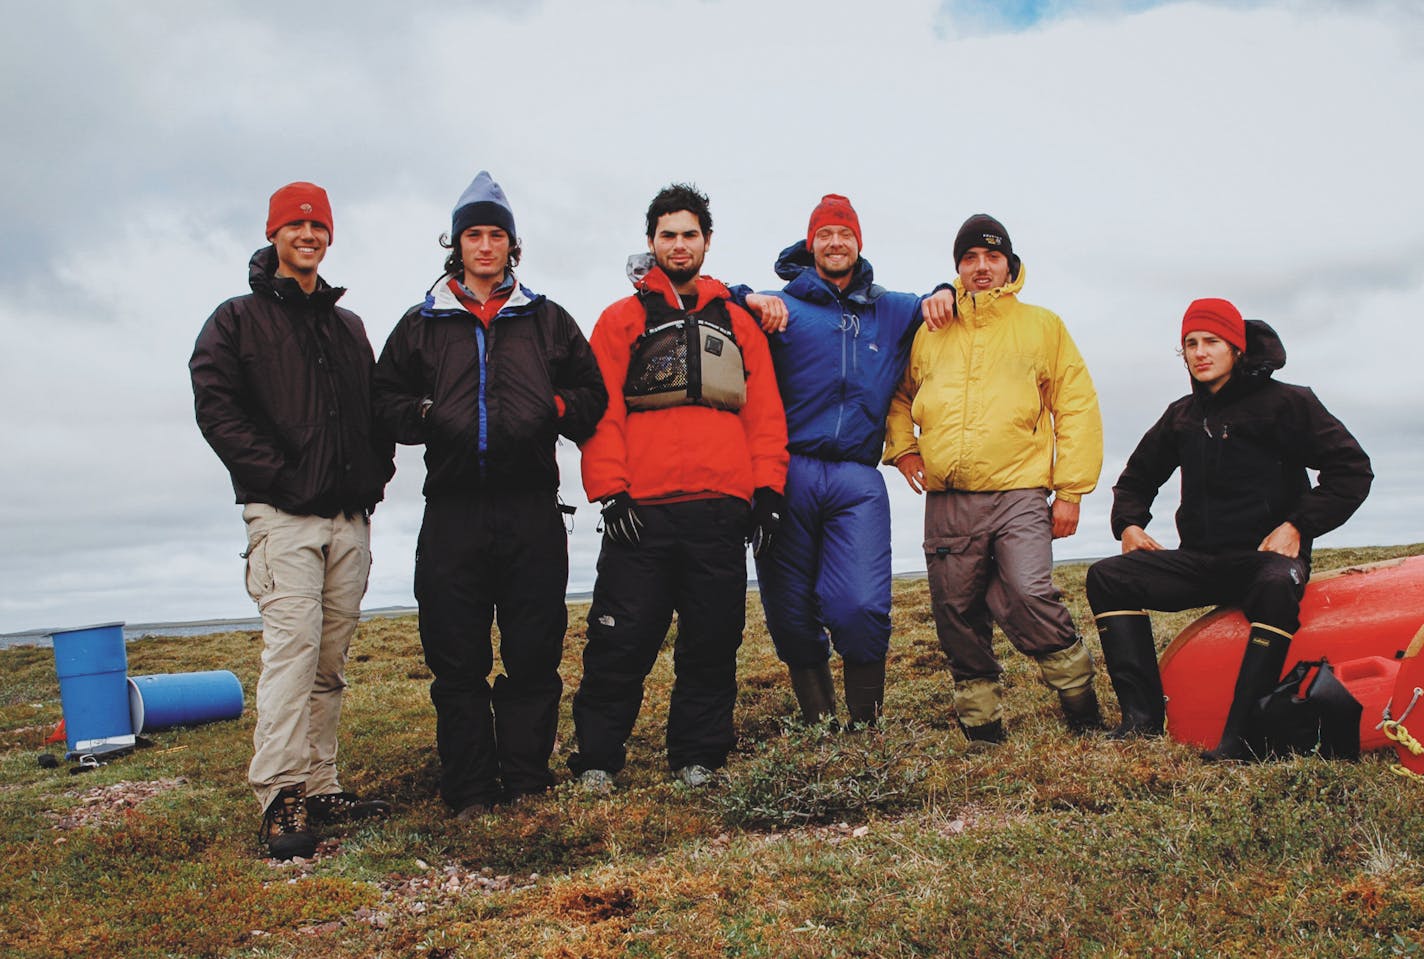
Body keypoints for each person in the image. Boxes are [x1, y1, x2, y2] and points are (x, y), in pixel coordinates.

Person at [373, 171, 607, 814]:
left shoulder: (547, 320)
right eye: (472, 234)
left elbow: (592, 397)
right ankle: (470, 787)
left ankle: (527, 778)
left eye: (495, 234)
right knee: (457, 658)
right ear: (455, 245)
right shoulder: (421, 323)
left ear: (512, 245)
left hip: (532, 506)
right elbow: (383, 400)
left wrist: (550, 406)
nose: (484, 246)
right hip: (453, 511)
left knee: (534, 650)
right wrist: (426, 416)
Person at [190, 181, 396, 859]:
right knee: (292, 651)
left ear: (328, 237)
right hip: (283, 519)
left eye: (318, 227)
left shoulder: (347, 327)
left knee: (330, 660)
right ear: (275, 233)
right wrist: (277, 476)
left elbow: (374, 411)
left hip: (348, 518)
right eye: (295, 226)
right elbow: (217, 408)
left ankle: (322, 780)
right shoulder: (236, 319)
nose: (308, 236)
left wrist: (374, 473)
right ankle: (281, 796)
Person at [570, 183, 788, 790]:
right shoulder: (620, 320)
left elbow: (765, 413)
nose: (679, 244)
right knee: (621, 639)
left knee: (712, 641)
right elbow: (602, 410)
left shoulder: (740, 322)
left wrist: (767, 492)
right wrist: (610, 492)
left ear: (707, 241)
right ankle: (596, 759)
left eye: (690, 234)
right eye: (668, 234)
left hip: (720, 510)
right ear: (651, 242)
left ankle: (699, 756)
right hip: (641, 510)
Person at [1085, 298, 1372, 759]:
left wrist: (1298, 525)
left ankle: (1241, 739)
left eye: (1211, 342)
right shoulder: (1182, 414)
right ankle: (1141, 722)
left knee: (1277, 583)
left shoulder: (1288, 403)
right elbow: (1137, 477)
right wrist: (1130, 524)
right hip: (1202, 560)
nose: (1199, 353)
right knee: (1108, 578)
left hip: (1266, 561)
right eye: (1190, 345)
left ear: (1236, 348)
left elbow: (1352, 472)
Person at [733, 194, 955, 727]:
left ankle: (864, 727)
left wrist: (945, 290)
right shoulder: (780, 305)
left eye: (845, 234)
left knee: (859, 604)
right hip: (789, 471)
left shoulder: (891, 307)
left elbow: (940, 298)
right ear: (811, 244)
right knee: (788, 610)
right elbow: (713, 296)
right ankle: (820, 725)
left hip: (858, 475)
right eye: (825, 235)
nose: (836, 243)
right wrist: (745, 295)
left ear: (859, 243)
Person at [884, 214, 1104, 745]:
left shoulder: (1042, 326)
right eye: (970, 259)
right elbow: (899, 397)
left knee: (1028, 593)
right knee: (955, 609)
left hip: (1020, 491)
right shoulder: (931, 330)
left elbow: (1075, 406)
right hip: (949, 498)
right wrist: (905, 450)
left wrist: (1070, 491)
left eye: (992, 257)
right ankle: (982, 729)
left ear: (1010, 264)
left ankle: (1081, 706)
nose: (981, 268)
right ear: (957, 267)